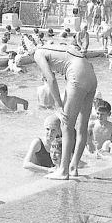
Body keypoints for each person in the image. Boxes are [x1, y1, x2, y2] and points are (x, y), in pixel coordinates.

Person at [33, 42, 97, 180]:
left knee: (66, 124)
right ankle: (73, 167)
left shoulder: (38, 53)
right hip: (91, 74)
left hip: (77, 73)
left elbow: (50, 78)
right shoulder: (56, 48)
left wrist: (58, 104)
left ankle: (63, 170)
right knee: (82, 126)